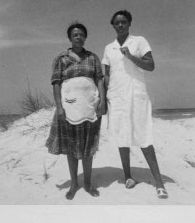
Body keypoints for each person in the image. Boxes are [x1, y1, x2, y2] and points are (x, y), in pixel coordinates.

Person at [102, 10, 168, 199]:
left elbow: (151, 65)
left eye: (124, 22)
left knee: (144, 137)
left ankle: (159, 183)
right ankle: (128, 176)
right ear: (113, 26)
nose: (120, 25)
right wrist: (106, 97)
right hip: (116, 96)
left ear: (129, 24)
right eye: (117, 23)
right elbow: (107, 74)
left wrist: (131, 56)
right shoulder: (109, 48)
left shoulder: (139, 41)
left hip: (136, 94)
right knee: (122, 137)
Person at [45, 22, 105, 200]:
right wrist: (59, 107)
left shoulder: (92, 58)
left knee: (88, 147)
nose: (78, 37)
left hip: (90, 107)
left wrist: (101, 101)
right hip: (69, 107)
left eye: (81, 35)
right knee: (72, 148)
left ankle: (87, 183)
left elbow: (100, 80)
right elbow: (56, 83)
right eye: (75, 35)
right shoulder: (61, 58)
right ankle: (73, 184)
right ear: (70, 38)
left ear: (85, 37)